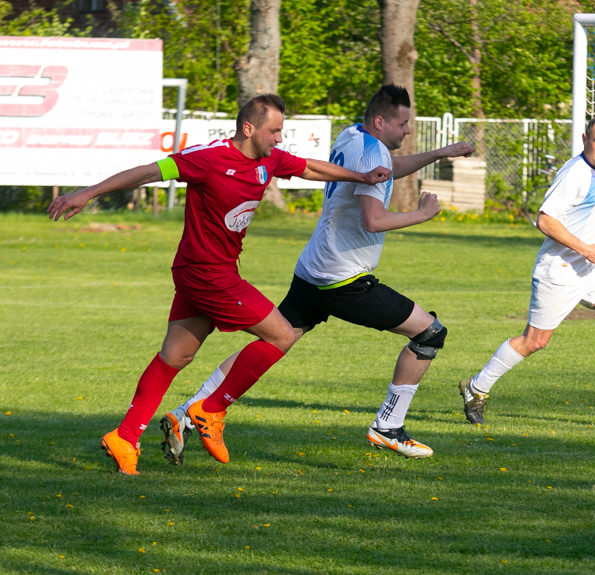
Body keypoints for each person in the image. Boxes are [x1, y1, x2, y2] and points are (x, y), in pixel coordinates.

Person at [47, 94, 391, 474]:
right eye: (273, 130)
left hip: (209, 271)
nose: (279, 138)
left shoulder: (269, 159)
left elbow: (309, 167)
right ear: (249, 128)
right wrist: (87, 193)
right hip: (207, 274)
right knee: (281, 335)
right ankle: (209, 409)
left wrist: (361, 177)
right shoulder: (207, 158)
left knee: (175, 357)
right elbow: (147, 171)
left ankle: (125, 438)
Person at [158, 84, 475, 462]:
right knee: (429, 333)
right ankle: (388, 427)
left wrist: (441, 152)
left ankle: (188, 414)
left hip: (314, 268)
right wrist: (421, 215)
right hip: (344, 279)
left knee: (276, 339)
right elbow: (373, 220)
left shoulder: (354, 137)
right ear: (381, 121)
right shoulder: (371, 150)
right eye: (403, 123)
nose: (407, 130)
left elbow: (389, 169)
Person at [457, 116, 595, 427]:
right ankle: (476, 388)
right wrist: (587, 249)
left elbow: (593, 214)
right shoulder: (576, 173)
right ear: (584, 139)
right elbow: (546, 220)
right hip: (562, 270)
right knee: (534, 341)